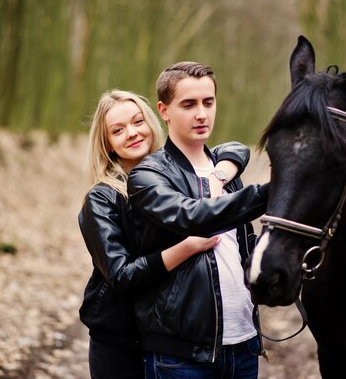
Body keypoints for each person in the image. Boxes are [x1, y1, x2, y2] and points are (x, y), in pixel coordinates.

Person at [78, 89, 251, 379]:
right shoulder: (103, 198)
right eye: (118, 130)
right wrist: (188, 246)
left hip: (169, 332)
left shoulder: (175, 175)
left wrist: (223, 171)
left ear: (152, 121)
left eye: (137, 122)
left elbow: (230, 149)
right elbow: (121, 275)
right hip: (121, 337)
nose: (132, 133)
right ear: (106, 143)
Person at [128, 62, 270, 379]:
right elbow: (194, 217)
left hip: (245, 346)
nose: (201, 114)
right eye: (188, 104)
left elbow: (244, 247)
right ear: (164, 110)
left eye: (208, 102)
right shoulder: (148, 176)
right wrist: (274, 191)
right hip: (181, 357)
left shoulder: (227, 172)